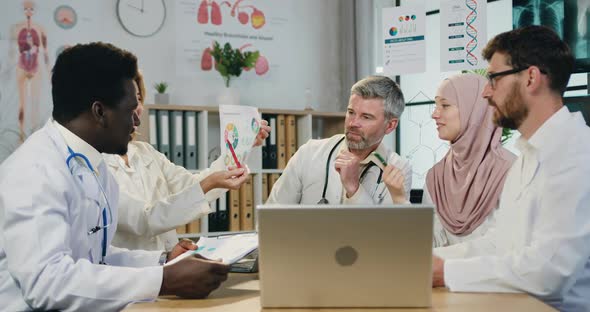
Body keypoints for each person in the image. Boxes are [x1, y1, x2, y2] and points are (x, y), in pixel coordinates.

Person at [0, 42, 230, 311]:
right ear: (100, 112)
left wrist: (163, 260)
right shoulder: (36, 170)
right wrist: (163, 280)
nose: (137, 121)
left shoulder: (93, 165)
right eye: (130, 110)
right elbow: (46, 282)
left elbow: (96, 258)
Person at [431, 26, 590, 311]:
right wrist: (429, 258)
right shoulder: (528, 153)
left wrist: (446, 272)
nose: (486, 93)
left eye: (493, 78)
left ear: (531, 78)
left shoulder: (577, 153)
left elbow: (549, 273)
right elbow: (500, 244)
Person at [103, 71, 271, 252]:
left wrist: (241, 148)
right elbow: (144, 219)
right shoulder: (97, 165)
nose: (137, 107)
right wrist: (209, 183)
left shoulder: (146, 153)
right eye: (129, 99)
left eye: (139, 98)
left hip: (166, 270)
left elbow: (190, 186)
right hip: (129, 275)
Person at [267, 75, 412, 205]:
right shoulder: (309, 153)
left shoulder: (398, 170)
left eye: (366, 117)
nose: (353, 123)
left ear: (390, 125)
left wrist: (353, 188)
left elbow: (385, 232)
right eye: (351, 112)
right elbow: (271, 218)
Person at [425, 73, 515, 247]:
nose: (434, 115)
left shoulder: (512, 171)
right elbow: (432, 246)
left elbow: (507, 248)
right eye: (435, 105)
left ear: (475, 110)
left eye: (444, 105)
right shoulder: (435, 177)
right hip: (444, 274)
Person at [10, 0, 50, 141]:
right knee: (22, 103)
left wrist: (49, 71)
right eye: (25, 8)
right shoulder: (16, 28)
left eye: (31, 9)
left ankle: (33, 137)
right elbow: (11, 52)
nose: (28, 11)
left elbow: (45, 53)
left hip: (35, 67)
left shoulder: (40, 29)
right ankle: (21, 135)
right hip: (21, 65)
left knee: (35, 103)